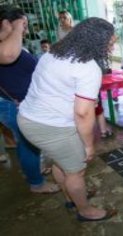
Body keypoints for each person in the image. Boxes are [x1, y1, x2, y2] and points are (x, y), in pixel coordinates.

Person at [17, 17, 117, 221]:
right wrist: (88, 146)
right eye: (110, 42)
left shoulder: (53, 52)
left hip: (28, 119)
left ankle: (71, 197)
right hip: (51, 126)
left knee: (61, 162)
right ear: (95, 42)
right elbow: (83, 113)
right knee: (76, 171)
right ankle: (85, 210)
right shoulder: (88, 68)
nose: (112, 46)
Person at [0, 5, 60, 194]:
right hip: (15, 105)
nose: (25, 29)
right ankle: (37, 183)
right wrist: (17, 26)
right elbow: (8, 56)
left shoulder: (11, 42)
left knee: (25, 143)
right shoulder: (6, 47)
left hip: (22, 102)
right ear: (6, 23)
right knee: (29, 145)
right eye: (23, 24)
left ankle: (31, 171)